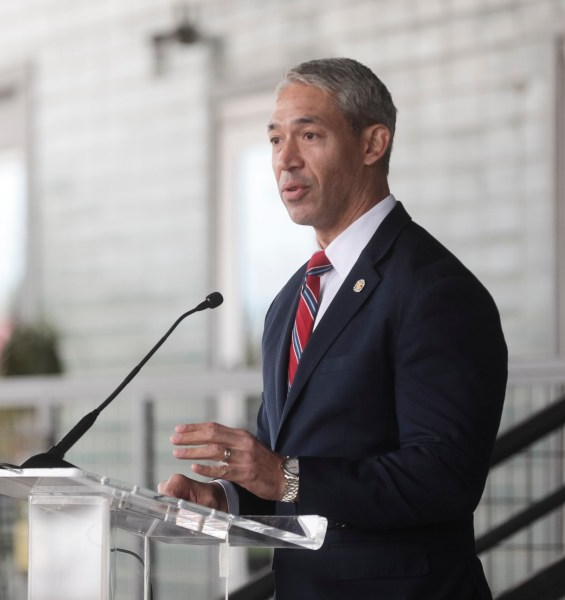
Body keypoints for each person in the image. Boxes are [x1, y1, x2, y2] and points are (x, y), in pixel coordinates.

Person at [158, 57, 508, 599]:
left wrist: (284, 476)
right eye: (275, 140)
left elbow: (443, 478)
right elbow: (287, 467)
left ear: (373, 145)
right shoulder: (291, 300)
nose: (285, 160)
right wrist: (225, 499)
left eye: (310, 135)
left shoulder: (435, 290)